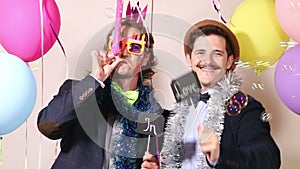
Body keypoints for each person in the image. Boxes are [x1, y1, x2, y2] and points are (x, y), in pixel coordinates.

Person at [37, 4, 169, 168]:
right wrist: (95, 79)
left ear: (146, 58)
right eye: (118, 44)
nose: (124, 52)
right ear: (109, 49)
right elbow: (48, 125)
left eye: (134, 47)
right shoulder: (81, 91)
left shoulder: (154, 116)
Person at [143, 19, 281, 169]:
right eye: (200, 52)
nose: (208, 61)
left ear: (228, 62)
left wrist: (219, 155)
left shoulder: (246, 108)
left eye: (217, 53)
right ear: (190, 59)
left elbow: (269, 159)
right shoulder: (179, 112)